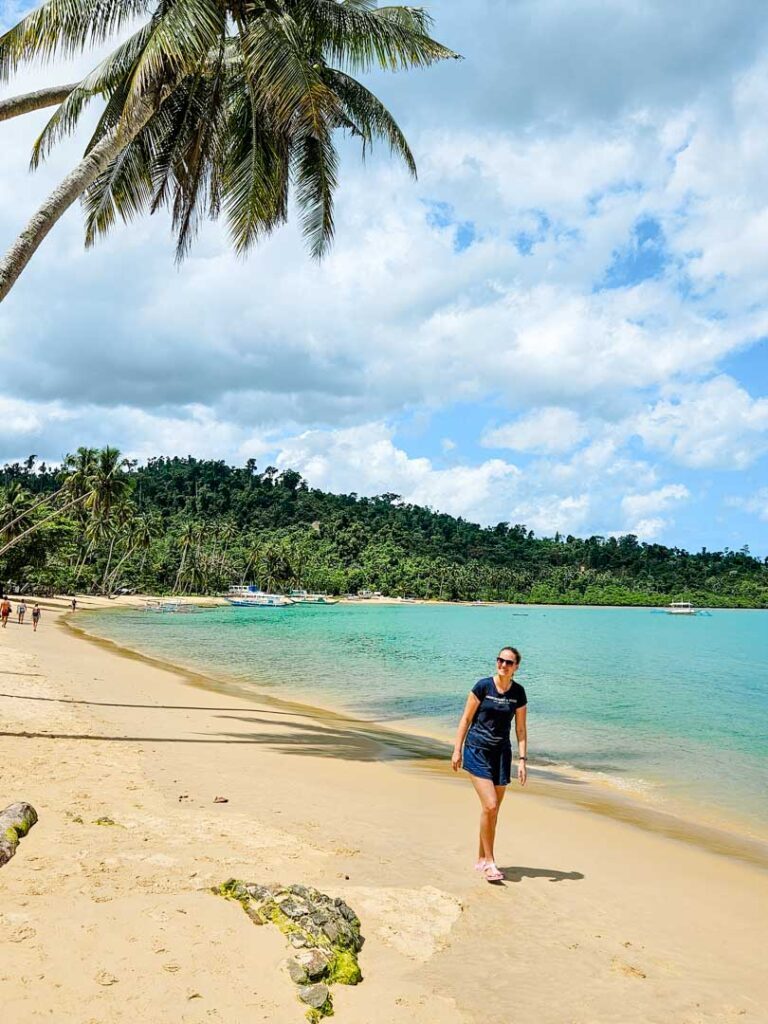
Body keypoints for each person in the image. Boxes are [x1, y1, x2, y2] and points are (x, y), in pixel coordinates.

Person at [452, 645, 528, 883]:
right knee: (491, 805)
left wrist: (522, 760)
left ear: (516, 667)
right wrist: (457, 750)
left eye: (508, 662)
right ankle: (490, 862)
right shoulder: (482, 686)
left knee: (491, 811)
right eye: (500, 660)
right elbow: (465, 719)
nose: (503, 665)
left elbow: (521, 729)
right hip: (477, 750)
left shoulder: (518, 692)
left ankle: (480, 858)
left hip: (502, 754)